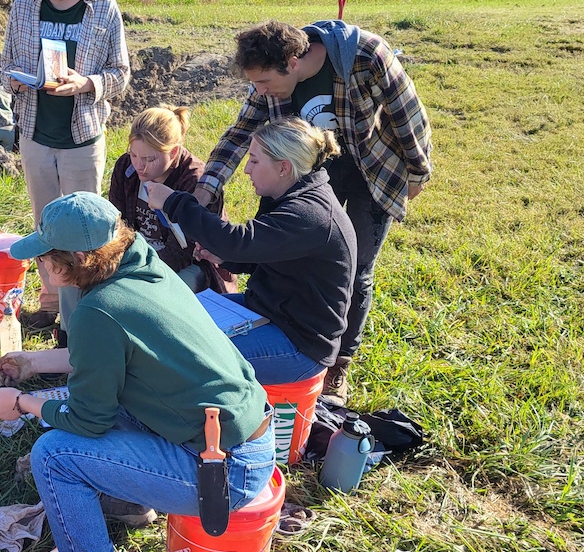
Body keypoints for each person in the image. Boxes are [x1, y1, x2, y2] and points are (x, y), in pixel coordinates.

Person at [0, 193, 273, 552]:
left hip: (224, 472)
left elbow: (86, 419)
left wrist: (21, 403)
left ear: (76, 259)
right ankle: (132, 500)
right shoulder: (143, 267)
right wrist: (34, 363)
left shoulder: (98, 311)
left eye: (44, 258)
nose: (37, 267)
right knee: (110, 405)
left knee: (54, 455)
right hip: (239, 435)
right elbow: (114, 356)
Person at [194, 20, 433, 403]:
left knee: (356, 270)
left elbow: (407, 115)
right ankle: (274, 322)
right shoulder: (272, 75)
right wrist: (208, 186)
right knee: (283, 250)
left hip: (372, 166)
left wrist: (418, 171)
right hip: (310, 169)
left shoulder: (367, 56)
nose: (259, 92)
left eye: (264, 83)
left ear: (292, 63)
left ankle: (337, 364)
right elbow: (241, 132)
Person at [143, 118, 357, 386]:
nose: (246, 170)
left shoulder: (309, 214)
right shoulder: (289, 196)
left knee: (182, 357)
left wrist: (174, 201)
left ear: (283, 167)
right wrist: (226, 258)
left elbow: (237, 241)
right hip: (270, 313)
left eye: (254, 161)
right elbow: (263, 254)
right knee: (172, 318)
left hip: (299, 345)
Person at [0, 0, 130, 331]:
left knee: (84, 228)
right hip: (36, 132)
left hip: (82, 134)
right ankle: (51, 301)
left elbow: (121, 75)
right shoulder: (23, 8)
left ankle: (84, 311)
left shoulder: (103, 9)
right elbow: (4, 65)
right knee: (45, 223)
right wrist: (15, 80)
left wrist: (87, 84)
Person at [108, 105, 232, 294]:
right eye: (134, 155)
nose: (140, 165)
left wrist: (135, 272)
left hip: (193, 265)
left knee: (161, 295)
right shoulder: (126, 167)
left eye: (149, 159)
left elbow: (183, 251)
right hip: (136, 257)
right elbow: (118, 224)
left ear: (173, 153)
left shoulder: (196, 183)